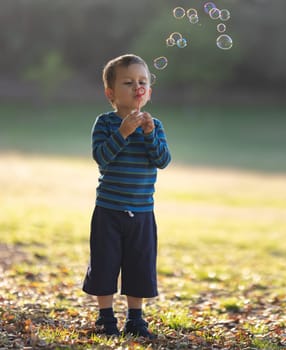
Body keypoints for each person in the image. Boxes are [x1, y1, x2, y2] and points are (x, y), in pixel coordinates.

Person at [82, 54, 171, 339]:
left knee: (139, 264)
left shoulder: (154, 126)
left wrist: (147, 134)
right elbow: (102, 159)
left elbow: (162, 160)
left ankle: (136, 319)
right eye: (128, 82)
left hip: (143, 211)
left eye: (142, 82)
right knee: (105, 263)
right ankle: (105, 318)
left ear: (149, 92)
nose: (137, 87)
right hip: (109, 209)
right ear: (111, 93)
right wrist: (122, 132)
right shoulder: (106, 123)